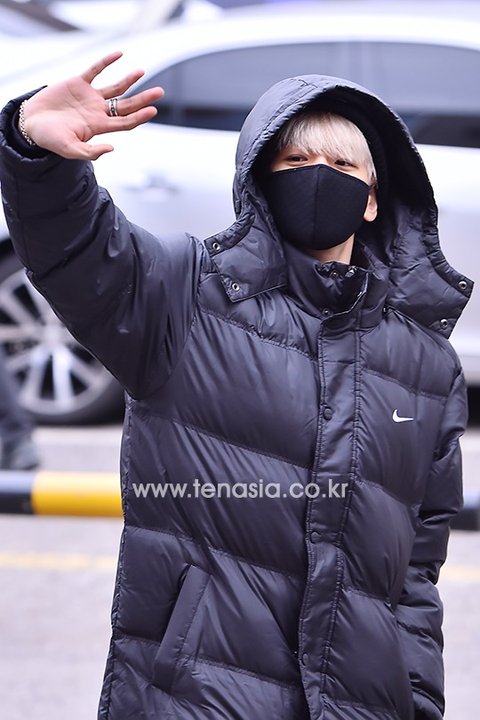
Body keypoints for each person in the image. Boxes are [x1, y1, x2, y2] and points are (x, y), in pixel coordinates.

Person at [0, 52, 473, 720]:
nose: (319, 177)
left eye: (343, 166)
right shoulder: (185, 294)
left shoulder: (427, 365)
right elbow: (81, 252)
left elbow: (417, 570)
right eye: (296, 161)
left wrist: (418, 697)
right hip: (197, 697)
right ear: (261, 181)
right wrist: (36, 155)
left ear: (373, 200)